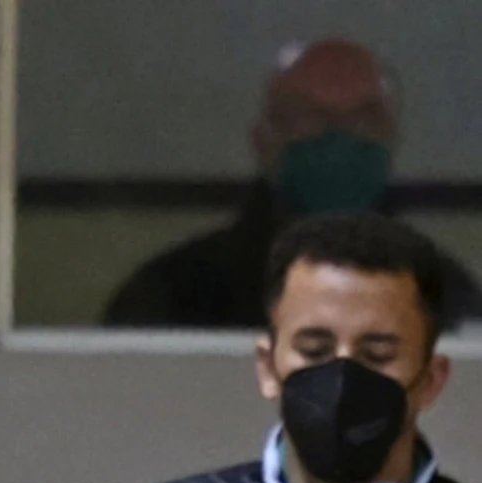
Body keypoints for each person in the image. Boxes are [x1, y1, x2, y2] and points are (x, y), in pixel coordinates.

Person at [82, 211, 482, 483]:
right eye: (314, 350)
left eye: (376, 355)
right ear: (268, 367)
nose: (342, 377)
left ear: (431, 380)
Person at [101, 37, 482, 329]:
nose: (339, 137)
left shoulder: (446, 295)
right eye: (309, 117)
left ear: (392, 139)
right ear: (263, 141)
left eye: (365, 118)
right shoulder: (174, 296)